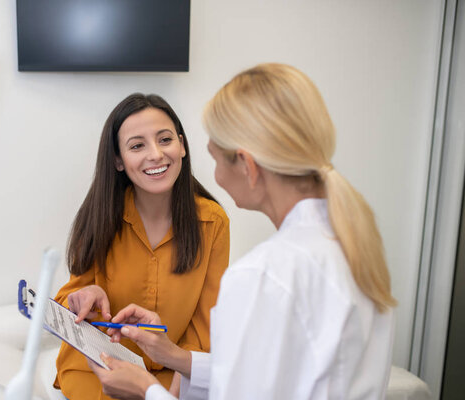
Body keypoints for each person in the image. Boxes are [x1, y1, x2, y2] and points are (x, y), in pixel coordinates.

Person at [87, 64, 397, 399]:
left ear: (247, 167)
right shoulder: (357, 248)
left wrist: (147, 389)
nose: (216, 177)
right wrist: (174, 356)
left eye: (216, 158)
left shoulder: (261, 276)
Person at [53, 93, 230, 399]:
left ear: (182, 145)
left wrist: (176, 383)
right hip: (96, 367)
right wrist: (86, 295)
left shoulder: (213, 223)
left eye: (165, 140)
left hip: (168, 372)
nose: (156, 155)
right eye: (137, 145)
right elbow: (68, 301)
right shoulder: (99, 217)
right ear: (118, 160)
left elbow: (206, 323)